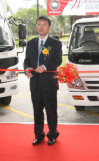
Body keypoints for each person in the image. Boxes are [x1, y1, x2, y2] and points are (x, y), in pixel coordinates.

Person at [24, 16, 62, 146]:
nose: (41, 27)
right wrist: (27, 68)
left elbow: (58, 60)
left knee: (51, 111)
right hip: (34, 82)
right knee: (37, 111)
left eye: (44, 24)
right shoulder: (31, 43)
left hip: (49, 83)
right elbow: (27, 60)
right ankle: (38, 135)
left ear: (49, 27)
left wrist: (45, 67)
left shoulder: (56, 43)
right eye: (39, 24)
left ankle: (52, 134)